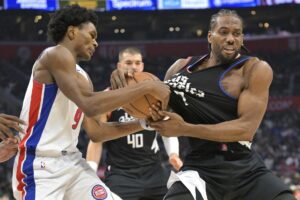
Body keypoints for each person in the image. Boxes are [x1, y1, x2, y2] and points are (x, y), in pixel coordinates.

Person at [112, 9, 295, 200]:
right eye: (223, 32)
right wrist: (126, 85)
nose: (231, 38)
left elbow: (245, 129)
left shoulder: (254, 69)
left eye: (237, 33)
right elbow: (161, 113)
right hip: (200, 168)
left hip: (244, 167)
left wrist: (185, 128)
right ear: (210, 36)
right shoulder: (179, 66)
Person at [12, 5, 170, 200]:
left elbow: (97, 132)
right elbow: (90, 103)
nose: (96, 42)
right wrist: (145, 88)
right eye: (92, 35)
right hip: (40, 165)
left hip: (72, 162)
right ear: (72, 32)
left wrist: (144, 123)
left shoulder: (83, 77)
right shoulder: (54, 54)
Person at [86, 47, 183, 200]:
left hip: (153, 170)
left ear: (142, 67)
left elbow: (165, 126)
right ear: (119, 66)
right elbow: (97, 138)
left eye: (138, 63)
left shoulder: (152, 95)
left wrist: (173, 154)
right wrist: (90, 169)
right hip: (121, 174)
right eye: (128, 62)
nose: (134, 66)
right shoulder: (107, 97)